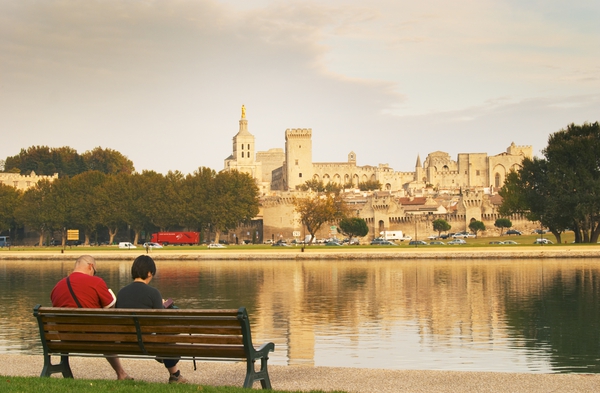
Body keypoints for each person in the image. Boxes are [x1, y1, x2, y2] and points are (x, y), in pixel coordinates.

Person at [50, 255, 131, 380]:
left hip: (65, 340)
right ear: (90, 266)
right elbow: (111, 308)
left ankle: (121, 373)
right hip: (96, 338)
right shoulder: (96, 282)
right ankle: (121, 373)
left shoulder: (57, 287)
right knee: (106, 333)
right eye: (95, 271)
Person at [116, 255, 188, 384]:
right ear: (149, 273)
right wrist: (162, 305)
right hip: (147, 342)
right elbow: (160, 321)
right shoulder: (153, 293)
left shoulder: (121, 292)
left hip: (125, 341)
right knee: (168, 335)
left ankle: (171, 369)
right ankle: (175, 375)